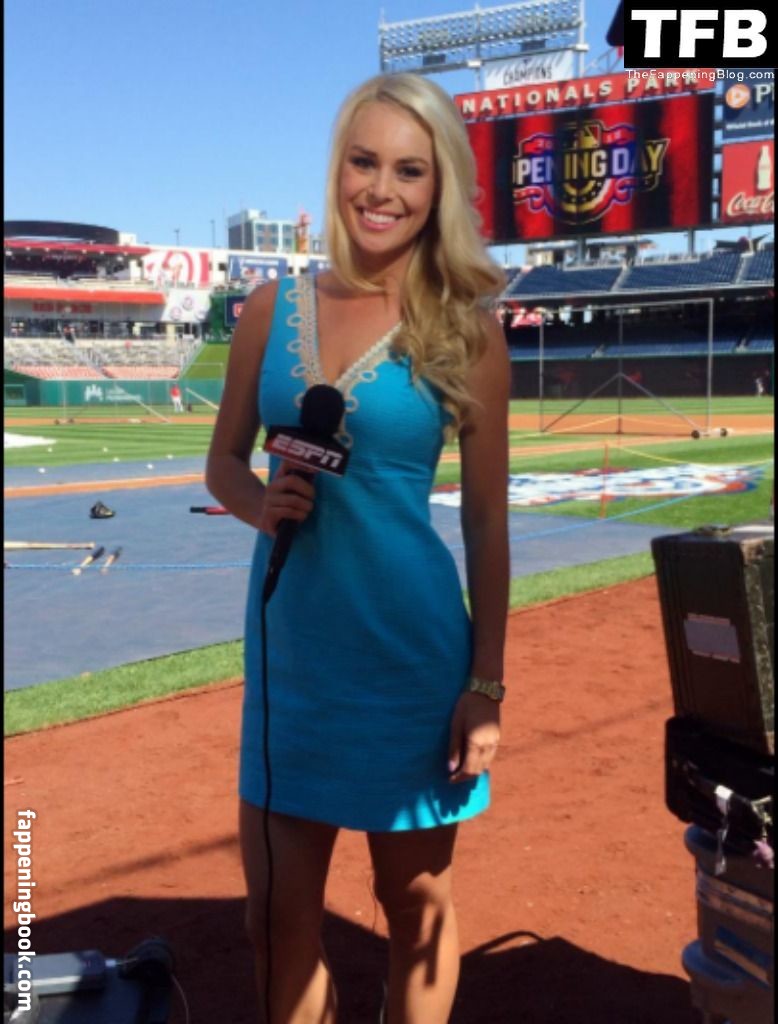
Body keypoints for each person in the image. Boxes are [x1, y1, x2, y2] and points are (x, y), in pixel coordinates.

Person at [206, 72, 510, 1024]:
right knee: (273, 919)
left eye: (409, 170)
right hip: (292, 664)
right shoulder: (270, 309)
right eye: (363, 162)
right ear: (337, 170)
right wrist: (261, 505)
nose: (381, 190)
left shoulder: (468, 331)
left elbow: (486, 522)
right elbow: (223, 463)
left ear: (440, 186)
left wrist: (486, 684)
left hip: (411, 663)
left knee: (413, 908)